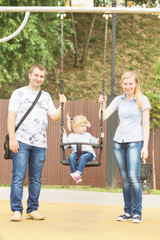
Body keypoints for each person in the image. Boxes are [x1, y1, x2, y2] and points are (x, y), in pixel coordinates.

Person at [8, 64, 66, 222]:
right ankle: (17, 210)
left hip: (40, 143)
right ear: (29, 75)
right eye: (36, 75)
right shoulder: (18, 93)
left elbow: (55, 117)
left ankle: (32, 209)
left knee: (35, 178)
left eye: (41, 76)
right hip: (21, 140)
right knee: (18, 176)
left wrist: (62, 105)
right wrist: (12, 138)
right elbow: (11, 117)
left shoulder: (45, 96)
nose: (38, 78)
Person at [99, 71, 151, 223]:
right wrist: (101, 103)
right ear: (121, 84)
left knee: (134, 177)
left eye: (130, 84)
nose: (128, 87)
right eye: (125, 84)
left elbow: (146, 125)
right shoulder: (118, 100)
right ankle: (127, 212)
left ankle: (137, 213)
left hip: (135, 141)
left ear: (136, 84)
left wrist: (145, 147)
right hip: (118, 142)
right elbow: (103, 116)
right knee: (125, 179)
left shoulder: (142, 100)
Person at [63, 114, 103, 184]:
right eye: (82, 126)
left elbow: (95, 142)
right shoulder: (71, 136)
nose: (84, 128)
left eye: (85, 126)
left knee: (83, 156)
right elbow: (65, 146)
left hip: (88, 153)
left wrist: (100, 138)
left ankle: (78, 173)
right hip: (76, 154)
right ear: (75, 127)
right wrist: (64, 136)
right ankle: (74, 174)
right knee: (71, 157)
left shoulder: (87, 135)